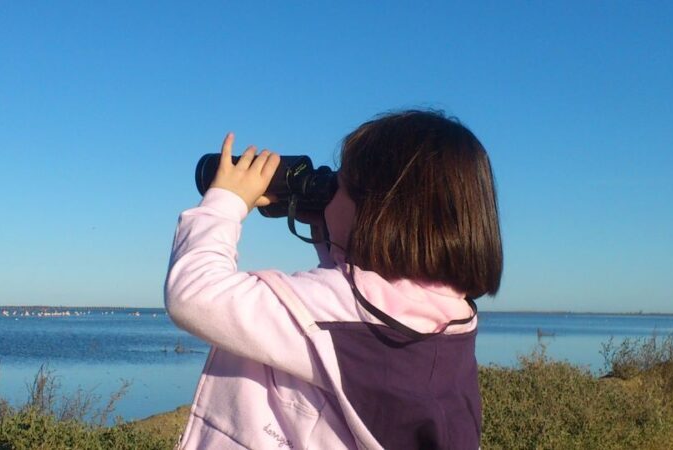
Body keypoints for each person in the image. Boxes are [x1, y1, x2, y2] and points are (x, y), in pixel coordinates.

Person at [165, 110, 503, 449]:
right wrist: (328, 223)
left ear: (375, 210)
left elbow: (194, 293)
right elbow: (345, 299)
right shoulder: (451, 317)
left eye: (339, 186)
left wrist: (226, 201)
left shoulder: (338, 316)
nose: (330, 191)